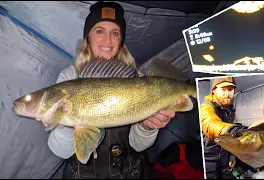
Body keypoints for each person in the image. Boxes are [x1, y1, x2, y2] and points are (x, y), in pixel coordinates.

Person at [42, 2, 175, 179]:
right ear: (87, 36)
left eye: (115, 33)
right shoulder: (69, 78)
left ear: (121, 39)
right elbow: (61, 151)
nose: (108, 40)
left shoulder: (138, 79)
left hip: (130, 172)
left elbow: (138, 145)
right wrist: (68, 126)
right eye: (99, 31)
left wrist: (146, 127)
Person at [200, 77, 264, 179]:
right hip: (208, 164)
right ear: (214, 90)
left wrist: (232, 155)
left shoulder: (229, 110)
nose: (227, 94)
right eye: (223, 89)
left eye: (230, 90)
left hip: (224, 164)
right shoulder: (206, 107)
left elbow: (231, 136)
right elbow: (211, 124)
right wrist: (242, 132)